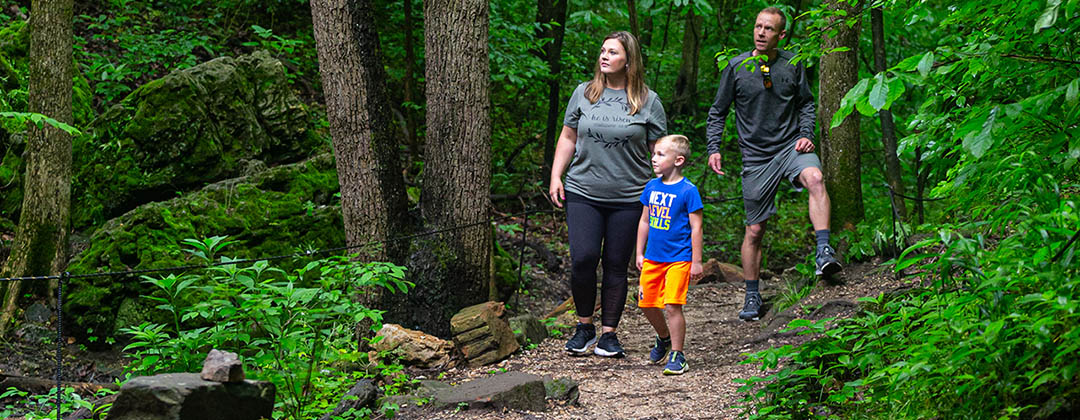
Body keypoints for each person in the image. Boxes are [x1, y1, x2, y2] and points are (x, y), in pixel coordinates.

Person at [706, 7, 842, 322]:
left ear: (781, 35)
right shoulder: (737, 66)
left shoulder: (792, 64)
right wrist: (714, 148)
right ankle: (752, 294)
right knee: (754, 229)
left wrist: (806, 134)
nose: (761, 32)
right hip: (756, 156)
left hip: (790, 145)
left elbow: (806, 103)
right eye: (758, 27)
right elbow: (718, 110)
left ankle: (824, 251)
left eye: (769, 29)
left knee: (815, 177)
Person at [549, 31, 667, 357]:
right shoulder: (584, 93)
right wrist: (556, 175)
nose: (604, 56)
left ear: (628, 60)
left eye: (612, 52)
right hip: (583, 190)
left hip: (630, 195)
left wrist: (664, 188)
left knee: (616, 264)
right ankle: (584, 326)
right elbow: (569, 136)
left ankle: (609, 335)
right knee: (584, 259)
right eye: (602, 51)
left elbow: (660, 150)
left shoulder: (648, 101)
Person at [634, 134, 703, 375]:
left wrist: (696, 261)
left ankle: (677, 353)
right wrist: (639, 253)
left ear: (678, 160)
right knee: (646, 303)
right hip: (653, 258)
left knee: (673, 305)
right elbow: (644, 221)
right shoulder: (651, 187)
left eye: (660, 155)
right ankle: (663, 338)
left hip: (679, 259)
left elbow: (697, 227)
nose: (654, 159)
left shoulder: (688, 191)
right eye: (654, 154)